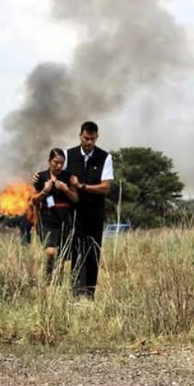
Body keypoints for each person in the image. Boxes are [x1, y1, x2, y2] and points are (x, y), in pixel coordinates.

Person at [66, 121, 114, 299]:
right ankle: (75, 292)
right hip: (74, 213)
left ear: (97, 138)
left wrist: (82, 187)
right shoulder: (68, 155)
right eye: (86, 138)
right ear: (80, 136)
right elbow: (56, 174)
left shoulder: (105, 158)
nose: (89, 143)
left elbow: (105, 187)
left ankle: (89, 293)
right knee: (76, 251)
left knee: (93, 252)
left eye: (92, 139)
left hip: (94, 213)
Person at [32, 148, 80, 277]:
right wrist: (44, 191)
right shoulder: (41, 177)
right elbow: (34, 200)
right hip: (47, 220)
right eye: (55, 162)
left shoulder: (68, 177)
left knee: (62, 255)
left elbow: (75, 198)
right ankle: (48, 275)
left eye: (61, 163)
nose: (58, 166)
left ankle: (56, 282)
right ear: (49, 161)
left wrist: (66, 190)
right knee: (50, 252)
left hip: (65, 221)